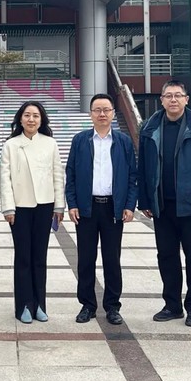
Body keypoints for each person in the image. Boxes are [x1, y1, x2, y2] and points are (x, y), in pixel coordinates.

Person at [137, 80, 191, 327]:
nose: (173, 100)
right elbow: (143, 167)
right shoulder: (149, 128)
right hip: (162, 206)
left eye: (178, 95)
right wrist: (145, 199)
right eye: (168, 96)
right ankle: (172, 305)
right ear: (161, 100)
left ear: (186, 99)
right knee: (166, 256)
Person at [65, 93, 137, 326]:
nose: (102, 114)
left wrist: (129, 205)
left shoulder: (123, 141)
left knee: (112, 260)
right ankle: (87, 305)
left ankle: (112, 306)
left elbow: (132, 176)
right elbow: (70, 174)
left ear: (113, 113)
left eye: (106, 110)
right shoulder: (80, 140)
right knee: (86, 259)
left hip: (113, 209)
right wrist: (72, 203)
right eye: (97, 110)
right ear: (90, 114)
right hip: (87, 208)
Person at [0, 101, 65, 324]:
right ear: (20, 119)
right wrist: (8, 207)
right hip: (20, 207)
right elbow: (5, 178)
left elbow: (58, 175)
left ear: (41, 119)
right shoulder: (11, 145)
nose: (31, 119)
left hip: (45, 205)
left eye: (36, 116)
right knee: (23, 257)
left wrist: (59, 206)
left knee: (39, 257)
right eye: (27, 115)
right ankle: (24, 306)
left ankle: (39, 305)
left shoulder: (50, 143)